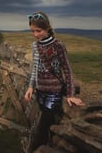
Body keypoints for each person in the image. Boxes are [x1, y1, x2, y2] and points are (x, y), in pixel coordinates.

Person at [24, 11, 84, 149]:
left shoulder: (58, 46)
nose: (35, 35)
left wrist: (70, 94)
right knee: (48, 126)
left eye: (38, 31)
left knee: (42, 129)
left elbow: (67, 70)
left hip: (54, 93)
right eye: (32, 31)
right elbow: (35, 68)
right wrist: (31, 87)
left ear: (47, 28)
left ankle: (37, 148)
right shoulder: (35, 46)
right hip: (40, 92)